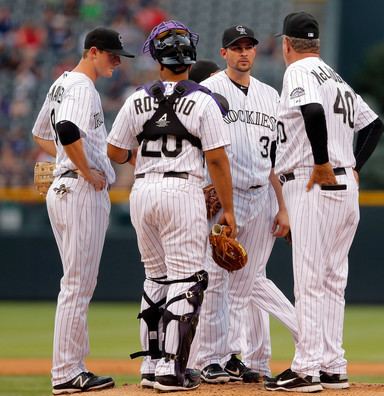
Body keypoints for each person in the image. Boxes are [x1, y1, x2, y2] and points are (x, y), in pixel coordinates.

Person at [106, 20, 235, 392]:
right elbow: (217, 161)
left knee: (155, 278)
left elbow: (114, 151)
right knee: (188, 280)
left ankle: (151, 364)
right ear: (191, 59)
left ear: (157, 60)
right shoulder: (203, 100)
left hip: (143, 192)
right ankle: (171, 370)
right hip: (182, 191)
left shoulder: (137, 98)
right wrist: (228, 209)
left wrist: (144, 160)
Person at [265, 12, 384, 392]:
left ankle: (306, 369)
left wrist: (320, 162)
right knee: (333, 280)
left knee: (311, 279)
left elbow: (312, 111)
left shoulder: (299, 72)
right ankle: (333, 366)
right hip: (346, 186)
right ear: (315, 43)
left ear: (287, 44)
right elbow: (374, 125)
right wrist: (355, 166)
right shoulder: (333, 75)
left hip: (314, 182)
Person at [187, 24, 298, 384]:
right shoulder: (208, 91)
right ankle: (208, 359)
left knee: (244, 283)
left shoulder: (270, 95)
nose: (244, 52)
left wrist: (283, 207)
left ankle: (230, 355)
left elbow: (278, 160)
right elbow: (193, 144)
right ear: (224, 53)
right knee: (217, 280)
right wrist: (203, 183)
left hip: (262, 196)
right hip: (224, 197)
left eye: (249, 46)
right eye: (236, 47)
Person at [31, 27, 134, 394]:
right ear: (92, 52)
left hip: (63, 188)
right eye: (111, 55)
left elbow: (42, 133)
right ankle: (67, 372)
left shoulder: (62, 82)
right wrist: (85, 170)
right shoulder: (81, 87)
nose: (117, 62)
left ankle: (70, 368)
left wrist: (64, 160)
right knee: (78, 284)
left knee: (75, 282)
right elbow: (67, 127)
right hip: (78, 190)